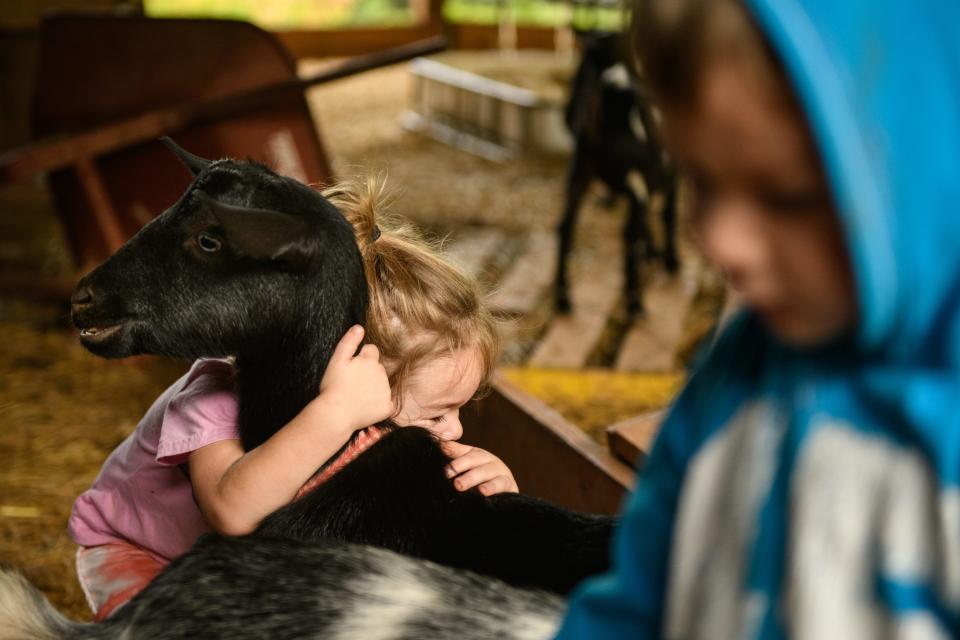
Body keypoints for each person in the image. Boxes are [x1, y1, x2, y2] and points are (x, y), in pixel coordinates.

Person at [557, 0, 960, 637]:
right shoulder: (733, 378)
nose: (721, 241)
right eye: (702, 181)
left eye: (788, 195)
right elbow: (634, 604)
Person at [67, 176, 515, 621]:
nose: (454, 429)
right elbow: (233, 511)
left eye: (459, 410)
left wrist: (492, 495)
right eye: (437, 414)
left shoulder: (367, 439)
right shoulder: (212, 397)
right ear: (360, 379)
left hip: (235, 570)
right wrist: (336, 412)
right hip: (144, 555)